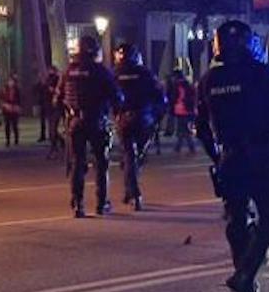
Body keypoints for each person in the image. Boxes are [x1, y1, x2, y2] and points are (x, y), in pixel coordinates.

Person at [195, 20, 269, 292]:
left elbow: (201, 126)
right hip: (260, 156)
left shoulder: (209, 80)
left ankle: (245, 283)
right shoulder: (263, 74)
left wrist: (216, 157)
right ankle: (246, 275)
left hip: (230, 159)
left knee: (236, 221)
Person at [55, 36, 122, 217]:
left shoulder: (68, 71)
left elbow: (57, 98)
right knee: (102, 162)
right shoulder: (100, 71)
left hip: (75, 122)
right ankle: (102, 203)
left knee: (78, 163)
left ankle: (78, 204)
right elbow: (117, 96)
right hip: (96, 120)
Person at [112, 44, 165, 211]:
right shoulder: (145, 73)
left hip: (124, 119)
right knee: (137, 156)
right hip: (144, 119)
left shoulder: (114, 74)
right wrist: (157, 117)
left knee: (129, 155)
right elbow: (160, 97)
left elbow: (109, 96)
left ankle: (131, 190)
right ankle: (133, 191)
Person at [168, 69, 198, 155]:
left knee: (184, 130)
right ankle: (180, 147)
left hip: (181, 110)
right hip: (186, 110)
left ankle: (188, 148)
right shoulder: (187, 84)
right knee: (183, 129)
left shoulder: (177, 85)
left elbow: (174, 97)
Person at [0, 75, 23, 147]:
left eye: (11, 81)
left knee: (15, 125)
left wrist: (18, 107)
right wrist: (4, 105)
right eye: (9, 81)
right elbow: (0, 98)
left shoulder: (17, 89)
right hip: (7, 108)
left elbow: (20, 99)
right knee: (7, 125)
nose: (10, 83)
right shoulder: (4, 89)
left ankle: (16, 140)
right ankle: (8, 140)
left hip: (14, 108)